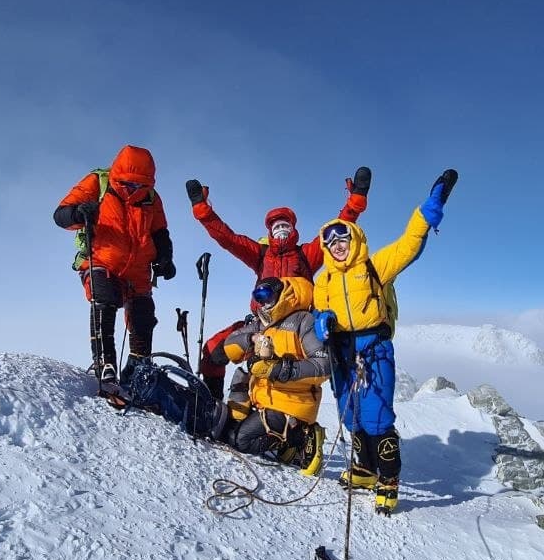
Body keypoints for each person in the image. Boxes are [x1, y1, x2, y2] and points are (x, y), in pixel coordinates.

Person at [314, 169, 457, 514]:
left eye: (342, 239)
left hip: (373, 349)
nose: (338, 246)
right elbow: (318, 312)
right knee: (351, 417)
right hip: (342, 354)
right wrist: (322, 323)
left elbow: (409, 245)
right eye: (331, 243)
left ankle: (388, 477)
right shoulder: (323, 281)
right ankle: (364, 469)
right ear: (325, 248)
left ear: (354, 239)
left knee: (377, 417)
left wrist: (427, 210)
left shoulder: (375, 265)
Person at [185, 168, 371, 399]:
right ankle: (212, 407)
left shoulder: (306, 254)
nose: (282, 230)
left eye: (286, 226)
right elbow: (228, 238)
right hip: (260, 324)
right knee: (213, 351)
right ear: (270, 232)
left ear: (294, 230)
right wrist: (203, 210)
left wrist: (356, 200)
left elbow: (336, 229)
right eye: (277, 227)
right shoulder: (261, 254)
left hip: (296, 328)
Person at [52, 144, 176, 388]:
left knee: (143, 318)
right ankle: (105, 364)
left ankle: (138, 370)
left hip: (139, 268)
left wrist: (166, 258)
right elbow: (60, 215)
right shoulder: (98, 182)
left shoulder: (152, 197)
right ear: (118, 175)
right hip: (101, 258)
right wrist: (78, 213)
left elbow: (160, 232)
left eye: (140, 185)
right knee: (105, 300)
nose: (134, 190)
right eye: (128, 184)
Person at [210, 276, 329, 476]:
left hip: (291, 402)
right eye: (258, 296)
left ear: (281, 293)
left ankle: (302, 435)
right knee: (226, 428)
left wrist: (279, 369)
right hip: (263, 399)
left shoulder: (303, 321)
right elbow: (231, 345)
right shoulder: (262, 322)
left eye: (266, 295)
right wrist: (251, 338)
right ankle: (287, 444)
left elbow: (323, 366)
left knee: (239, 440)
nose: (262, 301)